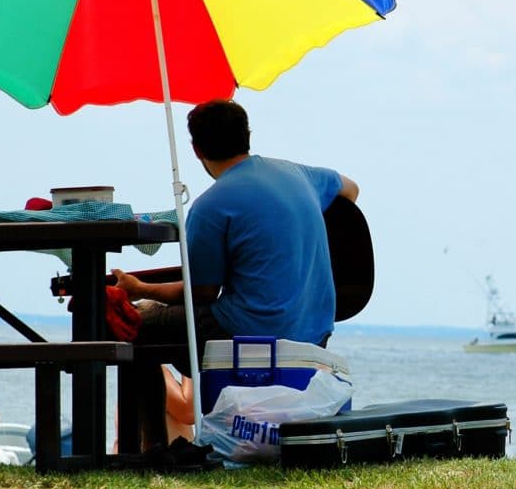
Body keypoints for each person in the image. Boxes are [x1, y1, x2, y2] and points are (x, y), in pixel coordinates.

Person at [112, 99, 359, 449]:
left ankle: (151, 452)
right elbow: (351, 189)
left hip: (249, 332)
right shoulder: (300, 175)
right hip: (315, 331)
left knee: (133, 328)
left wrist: (140, 288)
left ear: (196, 149)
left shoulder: (211, 206)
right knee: (159, 321)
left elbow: (202, 294)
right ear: (248, 136)